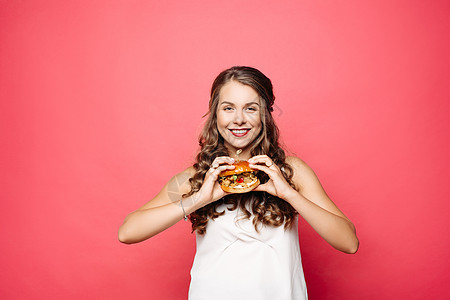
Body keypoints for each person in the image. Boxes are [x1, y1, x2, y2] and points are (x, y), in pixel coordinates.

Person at [118, 66, 359, 300]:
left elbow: (349, 243)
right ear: (215, 113)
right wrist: (198, 199)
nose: (239, 119)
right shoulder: (195, 177)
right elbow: (128, 232)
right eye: (228, 108)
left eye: (251, 109)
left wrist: (289, 194)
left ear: (265, 114)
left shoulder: (291, 171)